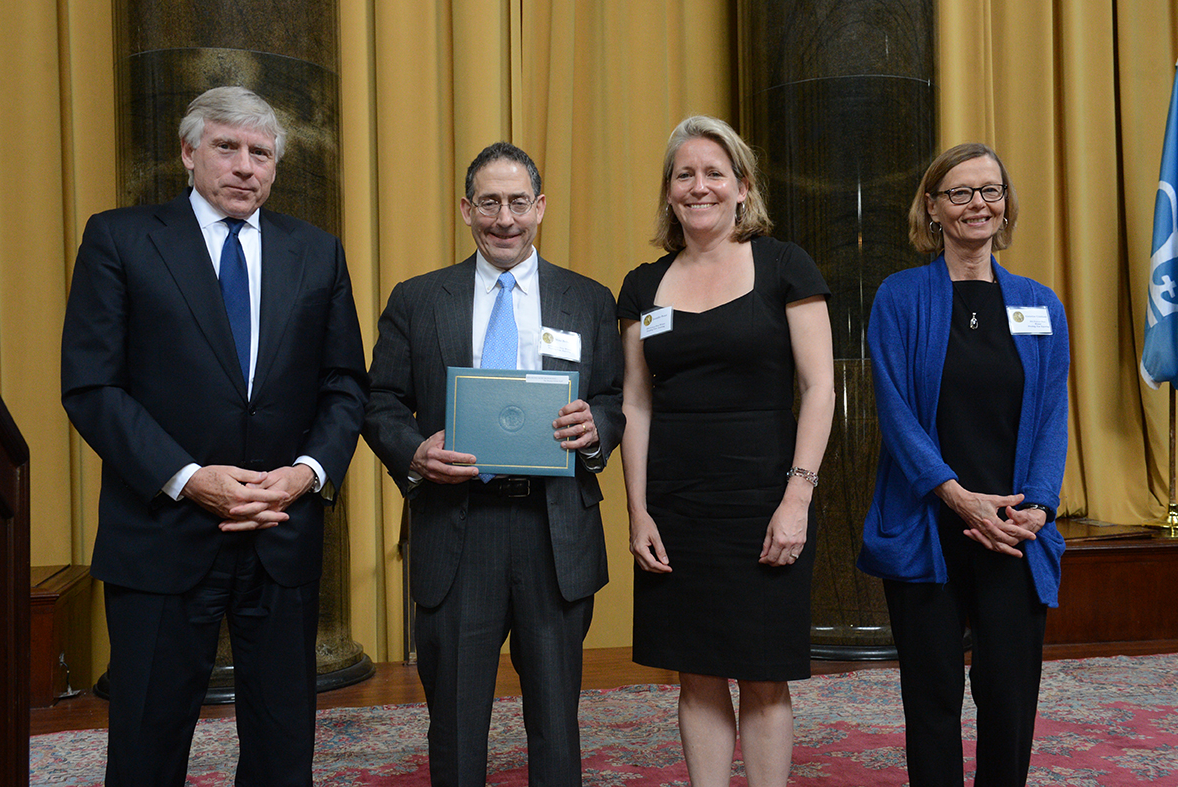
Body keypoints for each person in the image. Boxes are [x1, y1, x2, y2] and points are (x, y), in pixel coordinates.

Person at [60, 86, 368, 787]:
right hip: (163, 529)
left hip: (281, 527)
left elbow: (345, 384)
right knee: (147, 735)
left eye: (261, 153)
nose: (245, 166)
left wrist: (306, 472)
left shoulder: (316, 253)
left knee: (283, 738)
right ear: (188, 151)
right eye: (227, 147)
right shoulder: (121, 239)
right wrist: (189, 478)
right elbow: (91, 386)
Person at [361, 141, 624, 786]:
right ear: (465, 209)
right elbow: (380, 403)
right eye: (488, 203)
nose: (503, 219)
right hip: (457, 527)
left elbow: (616, 399)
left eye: (516, 203)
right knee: (452, 720)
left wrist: (596, 431)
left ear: (539, 208)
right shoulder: (419, 299)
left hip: (554, 530)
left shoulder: (587, 299)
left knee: (557, 721)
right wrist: (415, 454)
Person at [618, 115, 835, 786]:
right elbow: (634, 403)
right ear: (668, 191)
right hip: (677, 509)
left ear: (742, 187)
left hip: (765, 503)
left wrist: (796, 497)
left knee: (764, 677)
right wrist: (637, 512)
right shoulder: (640, 285)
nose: (698, 186)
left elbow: (821, 385)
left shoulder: (783, 265)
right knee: (697, 673)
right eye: (684, 174)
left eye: (714, 173)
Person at [858, 142, 1069, 787]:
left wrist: (1034, 507)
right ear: (934, 208)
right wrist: (958, 497)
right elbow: (896, 414)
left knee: (1010, 697)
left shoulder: (1041, 303)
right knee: (932, 697)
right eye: (960, 193)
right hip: (930, 523)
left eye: (990, 191)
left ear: (1005, 206)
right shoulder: (900, 297)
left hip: (1013, 531)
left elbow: (1052, 413)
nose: (978, 203)